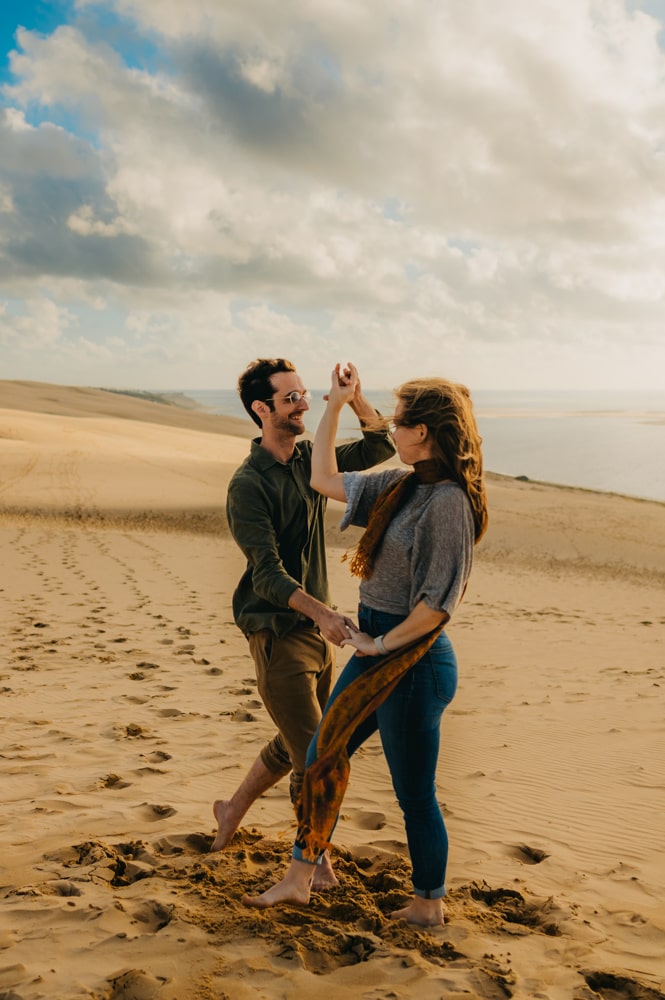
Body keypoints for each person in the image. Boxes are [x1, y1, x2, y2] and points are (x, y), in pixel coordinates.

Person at [242, 362, 488, 924]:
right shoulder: (402, 484)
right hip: (376, 647)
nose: (388, 430)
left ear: (422, 433)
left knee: (413, 793)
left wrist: (381, 647)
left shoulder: (446, 502)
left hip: (412, 661)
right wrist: (340, 404)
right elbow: (323, 478)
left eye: (398, 422)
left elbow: (436, 605)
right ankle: (300, 878)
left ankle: (429, 902)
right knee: (322, 754)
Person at [211, 358, 394, 888]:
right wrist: (321, 612)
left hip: (321, 633)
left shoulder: (312, 460)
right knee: (318, 758)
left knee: (300, 741)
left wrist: (355, 398)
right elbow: (265, 574)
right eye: (290, 398)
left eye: (304, 394)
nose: (304, 403)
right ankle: (317, 865)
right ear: (261, 410)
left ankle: (231, 808)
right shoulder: (247, 485)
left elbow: (379, 447)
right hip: (279, 634)